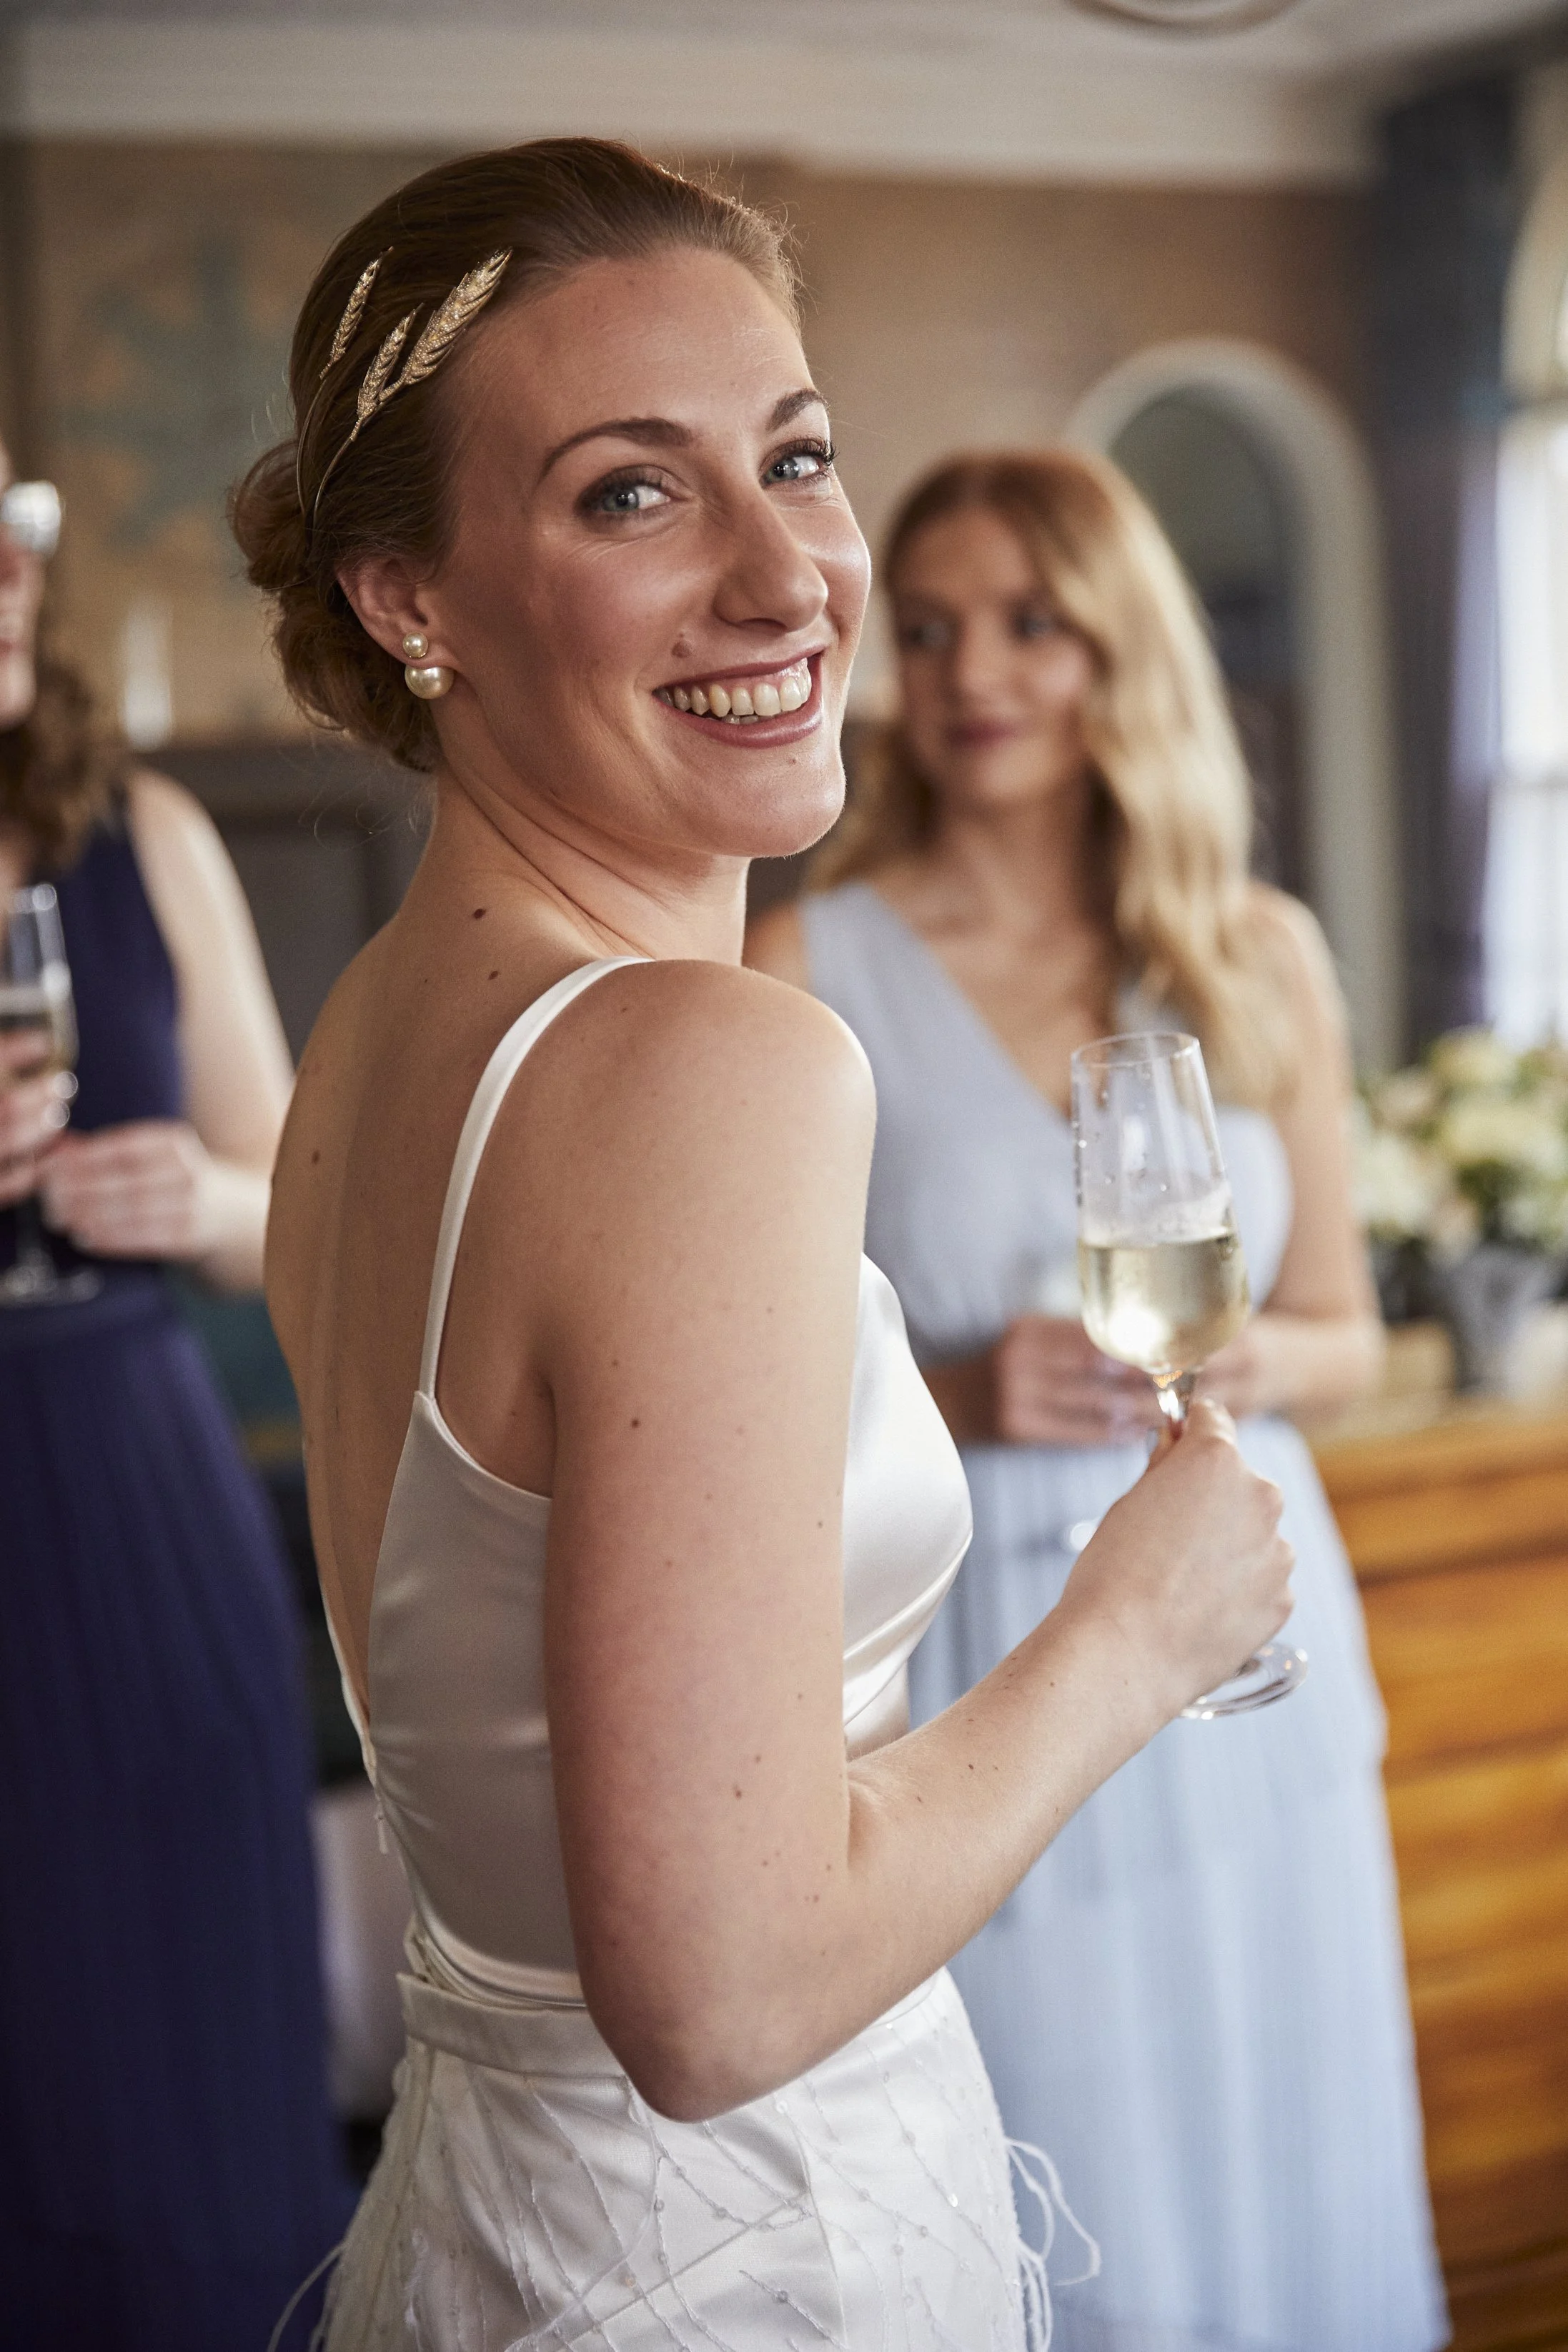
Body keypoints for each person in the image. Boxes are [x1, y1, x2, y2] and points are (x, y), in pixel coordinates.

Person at [237, 141, 1292, 2351]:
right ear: (407, 600)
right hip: (736, 2257)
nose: (784, 575)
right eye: (633, 494)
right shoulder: (710, 1061)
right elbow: (711, 2000)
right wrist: (1133, 1631)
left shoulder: (378, 1028)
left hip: (499, 2214)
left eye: (794, 460)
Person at [748, 447, 1447, 2351]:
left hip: (1259, 1649)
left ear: (1120, 648)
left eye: (1035, 623)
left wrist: (1231, 1365)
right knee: (1079, 2184)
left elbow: (1344, 1334)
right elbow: (747, 1389)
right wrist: (965, 1383)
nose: (976, 670)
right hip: (1003, 1665)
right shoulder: (809, 969)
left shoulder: (1258, 954)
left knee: (1286, 2152)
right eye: (942, 626)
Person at [0, 446, 352, 2347]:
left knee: (191, 2094)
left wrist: (197, 1198)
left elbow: (291, 1191)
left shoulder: (143, 831)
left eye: (17, 520)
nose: (2, 566)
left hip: (138, 1519)